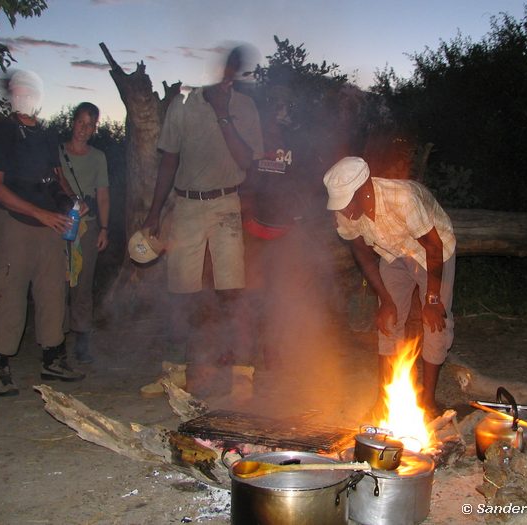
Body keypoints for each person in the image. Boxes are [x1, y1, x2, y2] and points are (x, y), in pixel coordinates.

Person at [142, 46, 263, 396]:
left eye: (235, 69)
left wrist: (223, 114)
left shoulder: (244, 107)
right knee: (180, 292)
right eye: (223, 67)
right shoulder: (183, 104)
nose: (227, 74)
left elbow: (246, 160)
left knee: (233, 293)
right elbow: (168, 161)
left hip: (226, 203)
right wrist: (153, 212)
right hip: (187, 206)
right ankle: (174, 374)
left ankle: (242, 374)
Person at [322, 156, 456, 419]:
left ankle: (428, 402)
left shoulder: (402, 197)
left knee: (435, 322)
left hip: (433, 251)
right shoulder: (345, 211)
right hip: (392, 253)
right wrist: (386, 300)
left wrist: (431, 299)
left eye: (347, 203)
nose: (344, 212)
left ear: (364, 189)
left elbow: (434, 246)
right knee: (388, 320)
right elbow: (361, 253)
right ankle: (384, 400)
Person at [0, 70, 86, 396]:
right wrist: (40, 212)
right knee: (9, 291)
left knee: (53, 292)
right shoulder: (2, 132)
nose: (25, 95)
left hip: (51, 227)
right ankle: (1, 366)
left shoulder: (44, 136)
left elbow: (55, 182)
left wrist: (71, 203)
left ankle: (52, 359)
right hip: (15, 224)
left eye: (31, 90)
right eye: (20, 90)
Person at [241, 84, 324, 369]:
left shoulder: (296, 145)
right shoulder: (251, 142)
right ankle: (244, 350)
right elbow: (241, 180)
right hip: (252, 229)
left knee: (279, 295)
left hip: (285, 231)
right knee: (250, 293)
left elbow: (307, 183)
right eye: (275, 109)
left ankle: (272, 352)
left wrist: (300, 214)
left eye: (284, 109)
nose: (280, 114)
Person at [59, 102, 110, 364]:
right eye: (81, 122)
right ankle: (55, 338)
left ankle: (82, 341)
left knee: (83, 284)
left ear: (94, 128)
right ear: (73, 121)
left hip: (87, 227)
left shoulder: (98, 157)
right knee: (57, 282)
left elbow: (103, 195)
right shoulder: (56, 153)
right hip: (58, 225)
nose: (84, 129)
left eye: (90, 125)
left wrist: (104, 227)